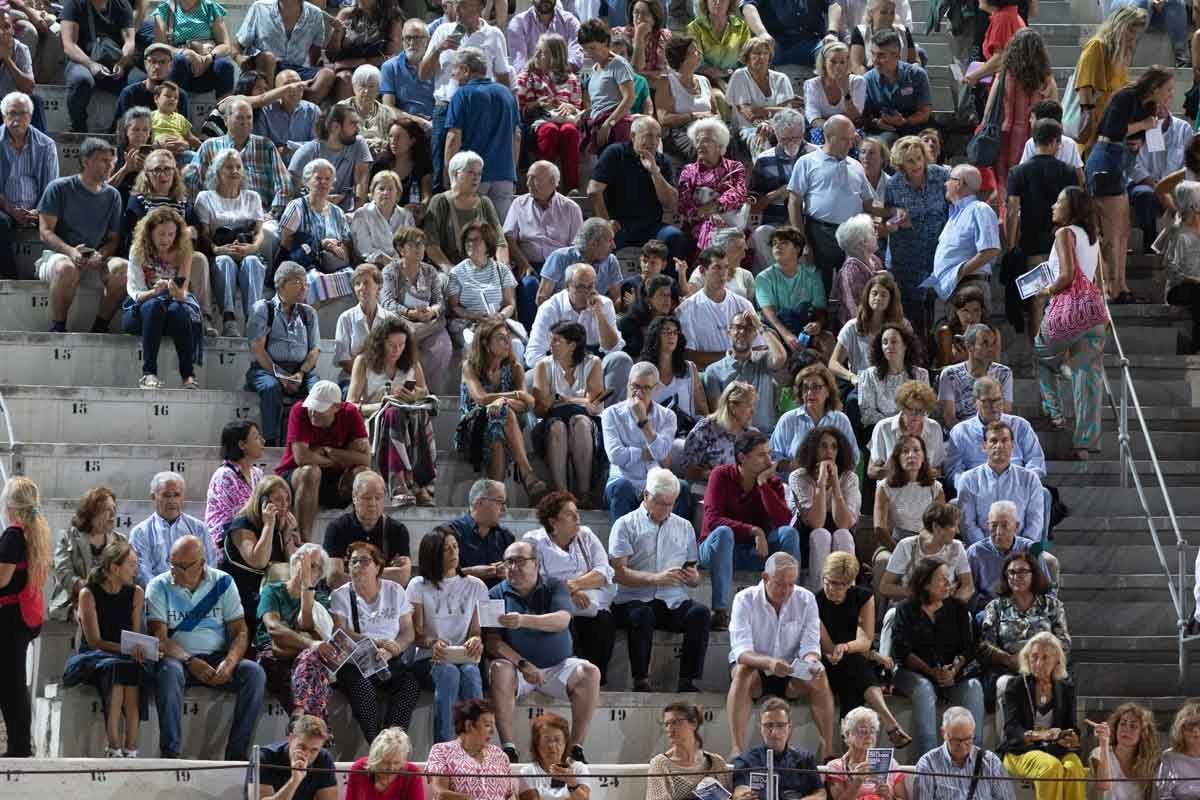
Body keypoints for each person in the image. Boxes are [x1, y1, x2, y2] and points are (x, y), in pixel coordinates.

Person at [147, 535, 266, 759]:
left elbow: (240, 631)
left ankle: (236, 755)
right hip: (178, 660)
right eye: (172, 565)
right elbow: (159, 638)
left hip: (216, 658)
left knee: (254, 673)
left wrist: (229, 663)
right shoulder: (158, 585)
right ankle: (170, 753)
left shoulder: (223, 582)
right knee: (169, 672)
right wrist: (190, 661)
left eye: (182, 567)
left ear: (201, 563)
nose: (175, 572)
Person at [485, 540, 601, 764]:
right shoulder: (495, 594)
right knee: (499, 668)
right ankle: (508, 748)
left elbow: (561, 620)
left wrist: (522, 621)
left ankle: (575, 749)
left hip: (558, 666)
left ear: (536, 564)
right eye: (508, 562)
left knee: (590, 671)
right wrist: (523, 664)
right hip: (519, 669)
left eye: (519, 561)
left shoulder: (555, 586)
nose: (513, 567)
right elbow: (493, 642)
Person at [727, 551, 836, 758]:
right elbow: (741, 651)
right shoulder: (744, 599)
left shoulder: (806, 599)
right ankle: (737, 748)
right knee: (742, 671)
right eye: (780, 584)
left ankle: (827, 748)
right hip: (756, 670)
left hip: (791, 672)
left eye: (791, 584)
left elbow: (810, 646)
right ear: (765, 578)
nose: (786, 590)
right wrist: (769, 663)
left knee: (820, 676)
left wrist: (812, 662)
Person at [608, 467, 709, 689]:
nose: (665, 509)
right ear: (646, 495)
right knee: (642, 614)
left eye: (670, 504)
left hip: (672, 599)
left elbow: (693, 574)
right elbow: (618, 573)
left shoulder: (684, 526)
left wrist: (692, 577)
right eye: (660, 503)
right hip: (632, 598)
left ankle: (687, 680)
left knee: (700, 614)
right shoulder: (625, 524)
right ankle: (641, 679)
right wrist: (655, 579)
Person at [1086, 69, 1172, 304]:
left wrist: (1145, 134)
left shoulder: (1150, 108)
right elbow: (1112, 130)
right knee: (1112, 231)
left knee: (1123, 229)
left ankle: (1121, 285)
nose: (1170, 95)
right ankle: (1110, 287)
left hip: (1123, 163)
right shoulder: (1126, 97)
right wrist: (1142, 124)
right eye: (1167, 90)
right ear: (1154, 88)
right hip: (1106, 159)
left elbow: (1153, 147)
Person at [1033, 186, 1106, 461]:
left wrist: (1045, 291)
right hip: (1092, 314)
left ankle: (1056, 416)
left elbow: (1066, 276)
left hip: (1067, 312)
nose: (1054, 205)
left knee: (1042, 356)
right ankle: (1084, 444)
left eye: (1059, 201)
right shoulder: (1092, 237)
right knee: (1087, 376)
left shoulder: (1064, 233)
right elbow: (1097, 278)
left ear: (1071, 208)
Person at [700, 428, 800, 622]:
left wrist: (763, 485)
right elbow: (712, 519)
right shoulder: (720, 475)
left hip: (753, 552)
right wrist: (753, 531)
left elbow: (783, 520)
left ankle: (789, 605)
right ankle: (720, 611)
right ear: (742, 457)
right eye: (761, 455)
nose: (769, 461)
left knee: (789, 534)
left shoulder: (771, 482)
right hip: (716, 551)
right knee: (723, 533)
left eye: (769, 454)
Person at [891, 559, 985, 755]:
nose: (948, 584)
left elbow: (969, 648)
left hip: (951, 674)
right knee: (924, 689)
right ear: (925, 583)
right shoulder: (905, 609)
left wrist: (953, 670)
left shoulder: (957, 608)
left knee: (974, 687)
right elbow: (902, 650)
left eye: (948, 579)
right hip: (913, 672)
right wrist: (930, 672)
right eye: (941, 580)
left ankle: (975, 759)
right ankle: (929, 762)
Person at [327, 540, 419, 743]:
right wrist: (378, 642)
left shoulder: (395, 591)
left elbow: (407, 633)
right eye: (353, 562)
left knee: (410, 685)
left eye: (365, 561)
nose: (358, 566)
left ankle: (393, 741)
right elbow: (340, 631)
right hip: (356, 662)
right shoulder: (340, 595)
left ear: (378, 567)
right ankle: (375, 742)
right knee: (362, 688)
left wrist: (392, 650)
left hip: (389, 659)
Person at [63, 541, 148, 758]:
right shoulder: (88, 593)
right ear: (114, 568)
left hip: (122, 655)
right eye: (131, 565)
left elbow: (134, 635)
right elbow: (95, 642)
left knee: (133, 671)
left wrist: (139, 650)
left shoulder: (136, 593)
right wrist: (126, 650)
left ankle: (131, 748)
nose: (136, 570)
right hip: (94, 656)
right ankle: (113, 745)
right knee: (116, 669)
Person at [36, 137, 128, 334]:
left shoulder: (113, 195)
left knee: (123, 269)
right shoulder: (59, 187)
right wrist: (71, 251)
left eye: (112, 161)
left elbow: (114, 238)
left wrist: (100, 255)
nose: (110, 165)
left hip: (95, 257)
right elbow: (45, 231)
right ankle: (58, 326)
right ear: (86, 162)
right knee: (67, 268)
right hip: (58, 256)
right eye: (104, 160)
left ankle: (100, 327)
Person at [420, 0, 511, 194]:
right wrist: (439, 49)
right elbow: (423, 74)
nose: (458, 11)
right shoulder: (443, 31)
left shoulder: (494, 35)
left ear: (480, 6)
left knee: (474, 173)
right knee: (441, 172)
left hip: (480, 112)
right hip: (445, 108)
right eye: (455, 5)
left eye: (464, 5)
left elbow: (502, 76)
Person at [526, 491, 616, 684]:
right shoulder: (534, 542)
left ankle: (597, 682)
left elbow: (604, 572)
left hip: (588, 604)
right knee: (567, 621)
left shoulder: (586, 536)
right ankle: (569, 681)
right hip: (553, 605)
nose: (577, 518)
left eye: (577, 513)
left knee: (604, 622)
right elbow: (535, 579)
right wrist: (567, 592)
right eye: (570, 514)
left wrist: (574, 585)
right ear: (553, 522)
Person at [819, 556, 910, 745]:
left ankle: (850, 753)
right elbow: (826, 642)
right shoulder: (815, 600)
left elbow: (865, 639)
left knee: (852, 681)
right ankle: (889, 722)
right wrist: (837, 651)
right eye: (829, 582)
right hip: (828, 661)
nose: (832, 589)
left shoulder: (863, 597)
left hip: (855, 657)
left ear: (850, 583)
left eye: (839, 585)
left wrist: (845, 647)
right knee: (854, 667)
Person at [347, 319, 438, 507]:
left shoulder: (411, 363)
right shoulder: (363, 362)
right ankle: (399, 483)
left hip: (407, 417)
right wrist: (382, 403)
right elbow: (350, 404)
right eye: (392, 345)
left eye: (402, 345)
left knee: (420, 414)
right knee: (392, 413)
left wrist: (414, 396)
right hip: (374, 417)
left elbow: (424, 392)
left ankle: (421, 484)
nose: (397, 350)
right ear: (380, 343)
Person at [407, 528, 486, 743]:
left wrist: (476, 640)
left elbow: (476, 631)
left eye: (455, 546)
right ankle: (444, 746)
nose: (453, 552)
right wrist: (432, 641)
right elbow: (416, 633)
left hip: (463, 655)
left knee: (470, 672)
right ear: (433, 554)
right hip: (429, 658)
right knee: (449, 673)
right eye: (445, 549)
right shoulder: (418, 586)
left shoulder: (475, 585)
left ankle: (477, 742)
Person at [787, 115, 875, 294]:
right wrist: (802, 243)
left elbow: (869, 203)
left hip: (853, 235)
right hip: (820, 234)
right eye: (845, 139)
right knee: (820, 291)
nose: (851, 144)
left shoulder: (856, 166)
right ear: (829, 137)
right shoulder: (806, 162)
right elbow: (794, 204)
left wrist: (894, 211)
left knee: (855, 289)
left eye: (852, 139)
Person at [456, 319, 545, 494]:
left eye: (508, 338)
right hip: (473, 426)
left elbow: (528, 405)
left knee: (499, 424)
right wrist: (513, 396)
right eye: (501, 338)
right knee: (500, 423)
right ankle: (526, 472)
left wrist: (502, 402)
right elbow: (480, 399)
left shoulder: (514, 368)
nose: (507, 343)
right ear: (485, 342)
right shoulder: (470, 366)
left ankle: (495, 496)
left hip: (504, 426)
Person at [276, 380, 372, 539]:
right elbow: (302, 458)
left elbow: (364, 459)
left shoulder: (350, 413)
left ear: (336, 407)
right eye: (311, 406)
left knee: (363, 474)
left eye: (319, 408)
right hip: (296, 478)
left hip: (335, 481)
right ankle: (302, 540)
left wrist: (328, 451)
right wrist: (342, 457)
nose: (313, 412)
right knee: (310, 471)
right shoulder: (299, 410)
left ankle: (363, 538)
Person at [995, 633, 1085, 800]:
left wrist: (1071, 737)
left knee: (1074, 767)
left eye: (1045, 658)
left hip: (1055, 749)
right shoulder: (1016, 686)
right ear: (1027, 658)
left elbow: (1072, 727)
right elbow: (1012, 729)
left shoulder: (1066, 688)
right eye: (1034, 657)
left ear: (1057, 660)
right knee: (1050, 767)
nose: (1038, 663)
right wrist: (1041, 735)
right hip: (1020, 751)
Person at [252, 543, 335, 720]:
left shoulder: (319, 599)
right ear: (293, 563)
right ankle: (315, 730)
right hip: (272, 657)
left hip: (302, 657)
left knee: (310, 659)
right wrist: (307, 642)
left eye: (312, 566)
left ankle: (300, 718)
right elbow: (274, 629)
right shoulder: (273, 591)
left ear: (319, 575)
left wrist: (298, 640)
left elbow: (317, 635)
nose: (304, 568)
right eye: (302, 561)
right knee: (310, 662)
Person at [587, 115, 685, 261]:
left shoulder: (662, 161)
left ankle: (670, 283)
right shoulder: (615, 153)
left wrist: (654, 171)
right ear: (633, 135)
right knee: (602, 241)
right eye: (648, 136)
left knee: (674, 236)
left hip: (651, 225)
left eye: (657, 137)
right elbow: (594, 190)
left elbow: (671, 203)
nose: (654, 142)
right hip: (619, 225)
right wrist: (606, 222)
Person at [245, 262, 322, 447]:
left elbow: (314, 350)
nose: (304, 287)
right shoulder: (263, 309)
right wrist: (280, 376)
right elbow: (258, 349)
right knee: (270, 388)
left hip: (300, 370)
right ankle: (271, 441)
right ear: (281, 284)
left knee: (319, 389)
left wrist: (301, 373)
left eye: (305, 283)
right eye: (298, 282)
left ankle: (313, 440)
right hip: (266, 369)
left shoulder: (308, 313)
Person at [195, 148, 269, 337]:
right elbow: (204, 234)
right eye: (229, 167)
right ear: (218, 171)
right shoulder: (205, 197)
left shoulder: (252, 197)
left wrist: (253, 247)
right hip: (220, 251)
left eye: (238, 167)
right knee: (224, 262)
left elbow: (260, 232)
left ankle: (254, 320)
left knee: (252, 262)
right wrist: (217, 249)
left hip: (248, 250)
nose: (235, 171)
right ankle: (229, 320)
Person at [123, 206, 200, 389]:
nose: (166, 239)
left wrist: (175, 292)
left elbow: (183, 293)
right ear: (150, 233)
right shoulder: (138, 249)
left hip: (171, 309)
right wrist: (154, 293)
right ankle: (149, 373)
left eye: (171, 234)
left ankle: (188, 375)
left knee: (180, 311)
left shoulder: (183, 250)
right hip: (141, 311)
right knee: (154, 306)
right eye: (161, 234)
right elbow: (135, 292)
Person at [0, 477, 50, 757]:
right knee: (14, 682)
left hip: (9, 618)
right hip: (25, 617)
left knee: (11, 685)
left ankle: (18, 746)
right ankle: (20, 744)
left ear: (10, 505)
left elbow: (3, 578)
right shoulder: (35, 532)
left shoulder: (13, 534)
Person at [187, 99, 293, 231]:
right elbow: (191, 182)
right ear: (226, 120)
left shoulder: (265, 146)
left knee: (268, 232)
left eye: (249, 118)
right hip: (218, 214)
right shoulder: (209, 146)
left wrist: (272, 214)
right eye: (239, 118)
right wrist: (196, 217)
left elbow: (284, 184)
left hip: (259, 216)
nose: (245, 122)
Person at [444, 47, 521, 222]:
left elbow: (453, 137)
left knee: (470, 233)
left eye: (455, 68)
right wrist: (512, 171)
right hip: (504, 175)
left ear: (466, 70)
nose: (453, 74)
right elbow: (516, 135)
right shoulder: (507, 94)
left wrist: (448, 172)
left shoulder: (462, 95)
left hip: (470, 176)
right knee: (499, 234)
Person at [602, 363, 686, 521]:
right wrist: (647, 453)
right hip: (623, 478)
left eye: (646, 388)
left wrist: (643, 422)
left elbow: (661, 453)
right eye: (635, 386)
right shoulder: (611, 414)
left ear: (656, 388)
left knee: (682, 488)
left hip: (654, 480)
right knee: (621, 488)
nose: (639, 393)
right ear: (628, 384)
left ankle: (674, 540)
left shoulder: (668, 416)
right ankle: (623, 544)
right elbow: (615, 456)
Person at [530, 322, 604, 499]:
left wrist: (566, 400)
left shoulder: (592, 363)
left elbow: (595, 403)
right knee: (557, 427)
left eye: (556, 341)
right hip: (551, 421)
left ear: (572, 345)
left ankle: (584, 492)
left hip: (585, 420)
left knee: (580, 422)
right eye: (551, 340)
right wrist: (581, 400)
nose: (551, 345)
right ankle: (561, 494)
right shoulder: (543, 365)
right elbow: (540, 408)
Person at [883, 135, 950, 331]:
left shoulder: (940, 176)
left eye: (918, 158)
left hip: (937, 252)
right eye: (909, 161)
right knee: (912, 312)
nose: (916, 164)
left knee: (937, 309)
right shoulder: (893, 184)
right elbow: (888, 212)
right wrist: (894, 221)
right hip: (906, 256)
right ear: (901, 163)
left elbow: (952, 206)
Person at [980, 552, 1070, 698]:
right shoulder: (996, 606)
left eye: (1022, 571)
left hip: (1046, 667)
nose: (1016, 577)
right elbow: (985, 644)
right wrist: (1008, 659)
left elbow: (1064, 642)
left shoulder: (1051, 605)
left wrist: (1043, 661)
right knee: (1007, 684)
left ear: (1033, 574)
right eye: (1011, 572)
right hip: (1008, 669)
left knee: (1058, 682)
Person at [222, 475, 302, 637]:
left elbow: (294, 567)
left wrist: (287, 534)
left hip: (269, 591)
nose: (285, 505)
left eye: (287, 500)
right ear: (262, 502)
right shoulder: (241, 525)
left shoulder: (281, 527)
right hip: (244, 593)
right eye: (278, 500)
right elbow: (258, 561)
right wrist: (269, 525)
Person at [787, 426, 861, 591]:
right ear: (813, 449)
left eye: (834, 447)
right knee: (821, 534)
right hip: (807, 536)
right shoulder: (799, 477)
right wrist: (821, 482)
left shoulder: (849, 478)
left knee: (843, 534)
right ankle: (820, 596)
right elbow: (816, 522)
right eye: (823, 446)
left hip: (839, 529)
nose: (829, 451)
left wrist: (835, 484)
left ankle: (848, 594)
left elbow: (844, 523)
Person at [945, 376, 1046, 491]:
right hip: (976, 489)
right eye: (987, 401)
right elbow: (953, 470)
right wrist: (968, 486)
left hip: (1017, 486)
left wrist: (1024, 484)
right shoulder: (960, 431)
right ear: (975, 402)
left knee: (1045, 493)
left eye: (998, 400)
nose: (994, 407)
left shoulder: (1021, 426)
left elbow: (1036, 461)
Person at [926, 164, 1001, 316]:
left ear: (959, 183)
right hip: (951, 290)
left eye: (949, 179)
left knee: (971, 338)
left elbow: (991, 250)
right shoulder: (954, 214)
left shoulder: (979, 209)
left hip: (969, 288)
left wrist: (959, 272)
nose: (945, 184)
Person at [380, 228, 452, 385]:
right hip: (402, 324)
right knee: (407, 339)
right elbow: (387, 302)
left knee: (443, 346)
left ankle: (428, 392)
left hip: (429, 324)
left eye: (422, 244)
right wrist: (410, 313)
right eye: (414, 244)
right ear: (401, 249)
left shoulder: (430, 271)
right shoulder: (391, 271)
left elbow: (439, 301)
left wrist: (432, 311)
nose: (419, 248)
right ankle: (405, 387)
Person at [1073, 7, 1147, 157]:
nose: (1133, 37)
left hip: (1111, 126)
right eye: (1131, 30)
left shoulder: (1121, 54)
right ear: (1120, 26)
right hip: (1094, 125)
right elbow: (1084, 85)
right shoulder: (1097, 46)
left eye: (1136, 32)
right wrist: (1089, 119)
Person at [958, 421, 1047, 546]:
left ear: (1013, 445)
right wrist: (987, 549)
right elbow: (968, 524)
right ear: (984, 446)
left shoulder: (1030, 479)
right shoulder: (968, 479)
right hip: (981, 549)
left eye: (1005, 440)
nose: (999, 445)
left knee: (1051, 562)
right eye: (993, 441)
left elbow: (1035, 522)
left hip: (1022, 549)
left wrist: (1019, 547)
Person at [701, 310, 788, 434]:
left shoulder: (763, 360)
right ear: (729, 332)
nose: (742, 332)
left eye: (749, 328)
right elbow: (719, 415)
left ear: (755, 334)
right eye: (738, 328)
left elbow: (780, 357)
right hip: (733, 439)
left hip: (765, 437)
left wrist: (759, 325)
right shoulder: (713, 371)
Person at [0, 92, 56, 279]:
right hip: (3, 207)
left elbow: (51, 186)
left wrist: (38, 211)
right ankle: (8, 278)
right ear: (3, 116)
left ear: (30, 117)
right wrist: (11, 209)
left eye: (22, 113)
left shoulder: (46, 145)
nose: (17, 119)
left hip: (37, 209)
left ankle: (49, 273)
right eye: (11, 113)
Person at [321, 472, 411, 589]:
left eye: (378, 497)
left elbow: (402, 578)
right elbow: (334, 578)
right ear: (354, 498)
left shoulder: (398, 530)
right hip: (347, 601)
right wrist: (384, 573)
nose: (373, 503)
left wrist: (352, 575)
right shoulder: (337, 528)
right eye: (367, 498)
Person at [234, 0, 335, 102]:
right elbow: (238, 45)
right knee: (268, 58)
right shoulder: (260, 7)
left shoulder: (315, 13)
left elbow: (315, 55)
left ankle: (300, 111)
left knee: (327, 74)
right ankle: (267, 108)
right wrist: (240, 59)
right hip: (264, 66)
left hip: (296, 68)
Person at [878, 502, 973, 611]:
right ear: (936, 527)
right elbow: (884, 587)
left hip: (944, 608)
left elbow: (968, 585)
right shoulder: (907, 545)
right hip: (912, 606)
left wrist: (954, 605)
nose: (958, 531)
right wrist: (919, 594)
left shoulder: (957, 547)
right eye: (953, 526)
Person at [51, 487, 126, 622]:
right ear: (92, 513)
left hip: (112, 601)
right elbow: (64, 574)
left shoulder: (121, 541)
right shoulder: (68, 537)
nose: (113, 514)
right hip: (73, 602)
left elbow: (126, 576)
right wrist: (93, 590)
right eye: (107, 509)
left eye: (114, 508)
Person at [424, 150, 507, 270]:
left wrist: (502, 267)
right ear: (456, 174)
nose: (476, 178)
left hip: (482, 267)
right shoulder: (440, 202)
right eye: (471, 172)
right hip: (450, 269)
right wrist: (449, 269)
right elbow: (431, 244)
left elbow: (500, 241)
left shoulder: (484, 202)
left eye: (479, 174)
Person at [730, 697, 826, 800]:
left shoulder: (805, 759)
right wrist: (741, 796)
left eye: (780, 725)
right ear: (760, 728)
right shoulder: (745, 760)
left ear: (789, 727)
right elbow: (739, 790)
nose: (774, 732)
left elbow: (821, 793)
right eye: (768, 725)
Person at [872, 436, 945, 572]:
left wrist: (926, 550)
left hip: (928, 543)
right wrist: (902, 552)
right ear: (897, 458)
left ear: (923, 457)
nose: (911, 455)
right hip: (894, 543)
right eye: (905, 451)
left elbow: (941, 525)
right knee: (883, 561)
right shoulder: (884, 487)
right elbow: (879, 528)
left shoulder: (935, 488)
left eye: (916, 450)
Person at [61, 0, 136, 132]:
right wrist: (91, 64)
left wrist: (122, 62)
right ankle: (78, 127)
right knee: (81, 80)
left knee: (140, 82)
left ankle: (118, 129)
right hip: (82, 61)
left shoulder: (122, 5)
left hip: (114, 62)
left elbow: (130, 41)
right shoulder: (74, 4)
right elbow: (69, 45)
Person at [130, 471, 215, 586]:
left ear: (183, 497)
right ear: (153, 497)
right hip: (156, 597)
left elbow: (210, 568)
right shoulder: (140, 533)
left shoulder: (199, 529)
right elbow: (142, 574)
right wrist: (164, 594)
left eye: (176, 495)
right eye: (166, 495)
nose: (172, 501)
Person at [754, 225, 828, 356]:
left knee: (827, 340)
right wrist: (787, 335)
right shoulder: (763, 278)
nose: (777, 247)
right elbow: (769, 315)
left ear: (797, 249)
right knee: (778, 353)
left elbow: (820, 309)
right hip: (774, 328)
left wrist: (817, 324)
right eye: (774, 243)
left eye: (784, 243)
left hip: (803, 326)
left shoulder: (813, 275)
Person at [911, 707, 1015, 800]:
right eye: (956, 740)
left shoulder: (991, 762)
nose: (962, 746)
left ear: (973, 733)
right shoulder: (928, 765)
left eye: (967, 739)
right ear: (943, 733)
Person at [770, 364, 860, 472]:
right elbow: (773, 456)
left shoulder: (840, 420)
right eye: (805, 388)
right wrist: (793, 466)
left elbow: (853, 459)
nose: (809, 392)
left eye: (816, 387)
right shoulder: (788, 420)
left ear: (828, 391)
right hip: (793, 483)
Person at [967, 501, 1056, 608]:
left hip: (1027, 607)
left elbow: (1046, 588)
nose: (999, 532)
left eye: (1005, 526)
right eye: (994, 526)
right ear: (987, 526)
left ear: (1016, 526)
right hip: (990, 608)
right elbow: (970, 593)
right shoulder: (975, 552)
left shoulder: (1031, 549)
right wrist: (994, 606)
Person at [288, 107, 373, 215]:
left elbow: (361, 181)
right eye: (352, 124)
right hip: (312, 212)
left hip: (347, 212)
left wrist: (356, 214)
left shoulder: (358, 143)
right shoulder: (307, 152)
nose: (357, 129)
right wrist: (320, 199)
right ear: (335, 127)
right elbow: (292, 192)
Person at [426, 699, 517, 798]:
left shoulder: (499, 755)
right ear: (468, 725)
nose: (493, 732)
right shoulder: (442, 751)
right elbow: (440, 793)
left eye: (493, 725)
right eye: (487, 725)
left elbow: (511, 794)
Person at [1129, 112, 1194, 249]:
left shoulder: (1183, 128)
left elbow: (1189, 164)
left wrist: (1170, 188)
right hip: (1145, 183)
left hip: (1175, 185)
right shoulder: (1139, 127)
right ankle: (1150, 243)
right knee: (1145, 195)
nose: (1165, 101)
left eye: (1169, 93)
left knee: (1188, 195)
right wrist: (1158, 188)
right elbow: (1134, 164)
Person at [731, 40, 800, 164]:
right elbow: (747, 112)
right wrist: (763, 122)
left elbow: (788, 112)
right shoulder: (740, 76)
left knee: (793, 136)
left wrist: (763, 112)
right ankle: (764, 177)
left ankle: (792, 177)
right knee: (761, 138)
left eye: (765, 53)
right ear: (747, 57)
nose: (761, 57)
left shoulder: (781, 78)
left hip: (777, 125)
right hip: (748, 127)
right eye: (756, 53)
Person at [647, 703, 732, 800]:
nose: (669, 729)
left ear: (694, 724)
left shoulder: (716, 762)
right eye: (666, 724)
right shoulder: (660, 764)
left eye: (675, 722)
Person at [577, 19, 636, 153]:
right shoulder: (594, 68)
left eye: (592, 48)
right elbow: (602, 99)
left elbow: (629, 98)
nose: (589, 53)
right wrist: (587, 113)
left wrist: (609, 124)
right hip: (598, 125)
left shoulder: (619, 65)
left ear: (604, 42)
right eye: (585, 49)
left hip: (617, 128)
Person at [335, 263, 399, 387]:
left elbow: (396, 357)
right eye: (357, 284)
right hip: (351, 380)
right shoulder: (345, 318)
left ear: (379, 286)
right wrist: (366, 380)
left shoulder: (391, 319)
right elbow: (343, 359)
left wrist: (378, 380)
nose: (361, 288)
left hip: (384, 381)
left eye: (366, 283)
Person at [246, 714, 338, 800]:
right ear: (291, 739)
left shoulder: (324, 758)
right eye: (302, 747)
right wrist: (294, 781)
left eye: (314, 750)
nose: (307, 754)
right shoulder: (265, 757)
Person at [656, 36, 718, 162]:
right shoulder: (667, 82)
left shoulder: (704, 80)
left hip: (709, 128)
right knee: (701, 149)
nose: (699, 53)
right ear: (683, 57)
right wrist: (694, 116)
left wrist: (711, 119)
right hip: (681, 131)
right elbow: (663, 118)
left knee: (729, 141)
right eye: (694, 50)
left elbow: (717, 113)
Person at [682, 381, 758, 482]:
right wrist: (713, 474)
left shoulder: (751, 434)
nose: (753, 411)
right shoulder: (705, 430)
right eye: (749, 406)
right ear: (733, 407)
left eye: (753, 406)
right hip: (709, 490)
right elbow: (687, 471)